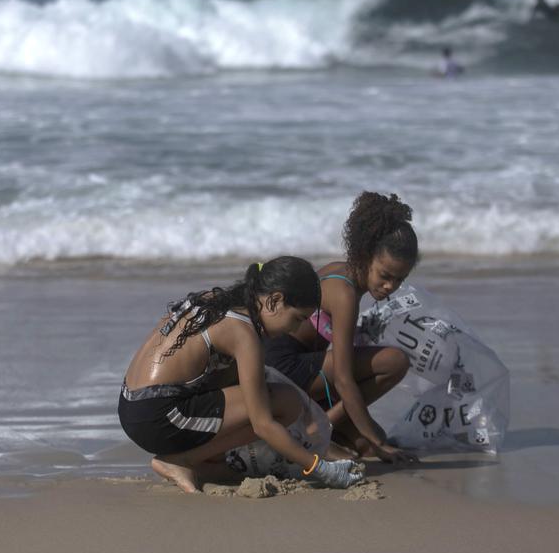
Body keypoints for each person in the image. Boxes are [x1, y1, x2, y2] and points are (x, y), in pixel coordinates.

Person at [118, 256, 364, 493]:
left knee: (248, 383)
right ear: (274, 301)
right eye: (297, 318)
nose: (296, 329)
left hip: (131, 405)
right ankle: (183, 460)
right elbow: (263, 425)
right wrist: (319, 468)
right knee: (286, 402)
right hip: (158, 418)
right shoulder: (243, 333)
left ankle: (205, 462)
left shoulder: (214, 300)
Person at [264, 192, 420, 464]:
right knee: (394, 362)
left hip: (301, 367)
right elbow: (344, 379)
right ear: (365, 255)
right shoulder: (345, 293)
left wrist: (371, 438)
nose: (390, 286)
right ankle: (315, 430)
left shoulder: (342, 271)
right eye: (385, 275)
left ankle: (319, 426)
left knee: (364, 447)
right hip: (281, 366)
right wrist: (378, 440)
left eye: (399, 279)